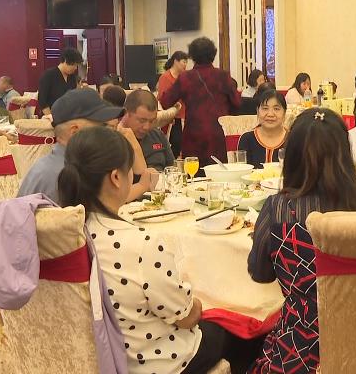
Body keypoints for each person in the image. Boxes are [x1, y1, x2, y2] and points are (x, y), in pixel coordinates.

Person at [60, 126, 259, 374]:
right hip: (157, 362)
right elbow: (185, 317)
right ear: (116, 178)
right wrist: (200, 303)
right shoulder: (141, 244)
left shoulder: (65, 235)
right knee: (242, 333)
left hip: (99, 356)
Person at [248, 108, 356, 373]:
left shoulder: (277, 209)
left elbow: (260, 273)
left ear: (292, 157)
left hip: (298, 352)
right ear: (345, 153)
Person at [18, 88, 148, 203]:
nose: (111, 134)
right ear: (75, 132)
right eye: (104, 126)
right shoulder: (67, 177)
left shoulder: (51, 165)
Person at [160, 37, 241, 166]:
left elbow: (165, 101)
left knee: (194, 173)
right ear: (213, 54)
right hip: (218, 133)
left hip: (193, 134)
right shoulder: (223, 76)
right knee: (218, 171)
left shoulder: (185, 77)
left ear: (192, 56)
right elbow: (236, 103)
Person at [122, 90, 176, 172]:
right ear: (126, 113)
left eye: (151, 121)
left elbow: (172, 169)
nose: (146, 127)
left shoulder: (157, 135)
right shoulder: (116, 141)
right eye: (142, 120)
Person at [238, 90, 288, 168]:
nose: (270, 114)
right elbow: (241, 171)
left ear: (284, 113)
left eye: (276, 109)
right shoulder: (246, 139)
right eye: (265, 108)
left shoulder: (293, 139)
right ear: (257, 111)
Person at [157, 51, 189, 157]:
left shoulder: (185, 76)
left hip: (185, 115)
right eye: (183, 62)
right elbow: (162, 98)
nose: (185, 65)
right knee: (174, 144)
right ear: (176, 61)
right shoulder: (165, 77)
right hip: (172, 117)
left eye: (186, 62)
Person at [37, 48, 83, 115]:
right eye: (74, 65)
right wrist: (51, 117)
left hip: (69, 116)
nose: (75, 68)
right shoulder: (48, 75)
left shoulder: (72, 77)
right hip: (51, 116)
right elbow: (42, 101)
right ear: (65, 61)